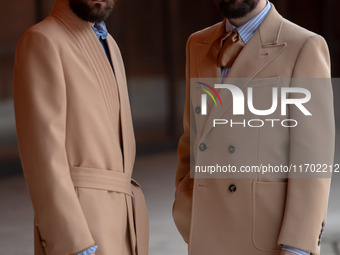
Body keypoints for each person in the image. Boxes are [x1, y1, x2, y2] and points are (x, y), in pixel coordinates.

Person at [173, 0, 335, 255]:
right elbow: (191, 135)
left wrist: (298, 245)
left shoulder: (303, 45)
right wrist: (185, 201)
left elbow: (313, 157)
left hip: (266, 239)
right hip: (206, 231)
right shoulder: (197, 43)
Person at [13, 0, 148, 255]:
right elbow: (42, 157)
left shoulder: (110, 44)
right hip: (82, 229)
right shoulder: (42, 40)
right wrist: (72, 240)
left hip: (124, 221)